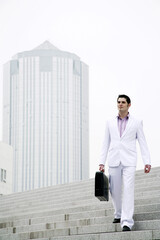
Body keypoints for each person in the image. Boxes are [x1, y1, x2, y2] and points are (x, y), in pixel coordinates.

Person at [99, 94, 151, 231]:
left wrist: (147, 161)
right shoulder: (109, 122)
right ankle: (118, 213)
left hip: (129, 160)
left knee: (128, 190)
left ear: (129, 105)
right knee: (114, 190)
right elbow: (105, 142)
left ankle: (127, 221)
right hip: (114, 159)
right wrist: (101, 162)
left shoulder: (137, 121)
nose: (120, 104)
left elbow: (142, 142)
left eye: (123, 102)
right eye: (118, 102)